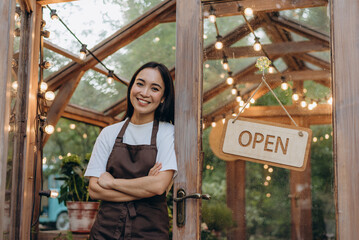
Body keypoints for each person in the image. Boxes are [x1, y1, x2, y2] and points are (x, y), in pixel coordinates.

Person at [84, 62, 177, 240]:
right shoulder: (109, 133)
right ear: (131, 87)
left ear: (163, 97)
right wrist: (144, 187)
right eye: (140, 84)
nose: (144, 93)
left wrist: (111, 183)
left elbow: (158, 186)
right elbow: (95, 190)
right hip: (105, 232)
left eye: (155, 88)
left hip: (149, 233)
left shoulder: (167, 132)